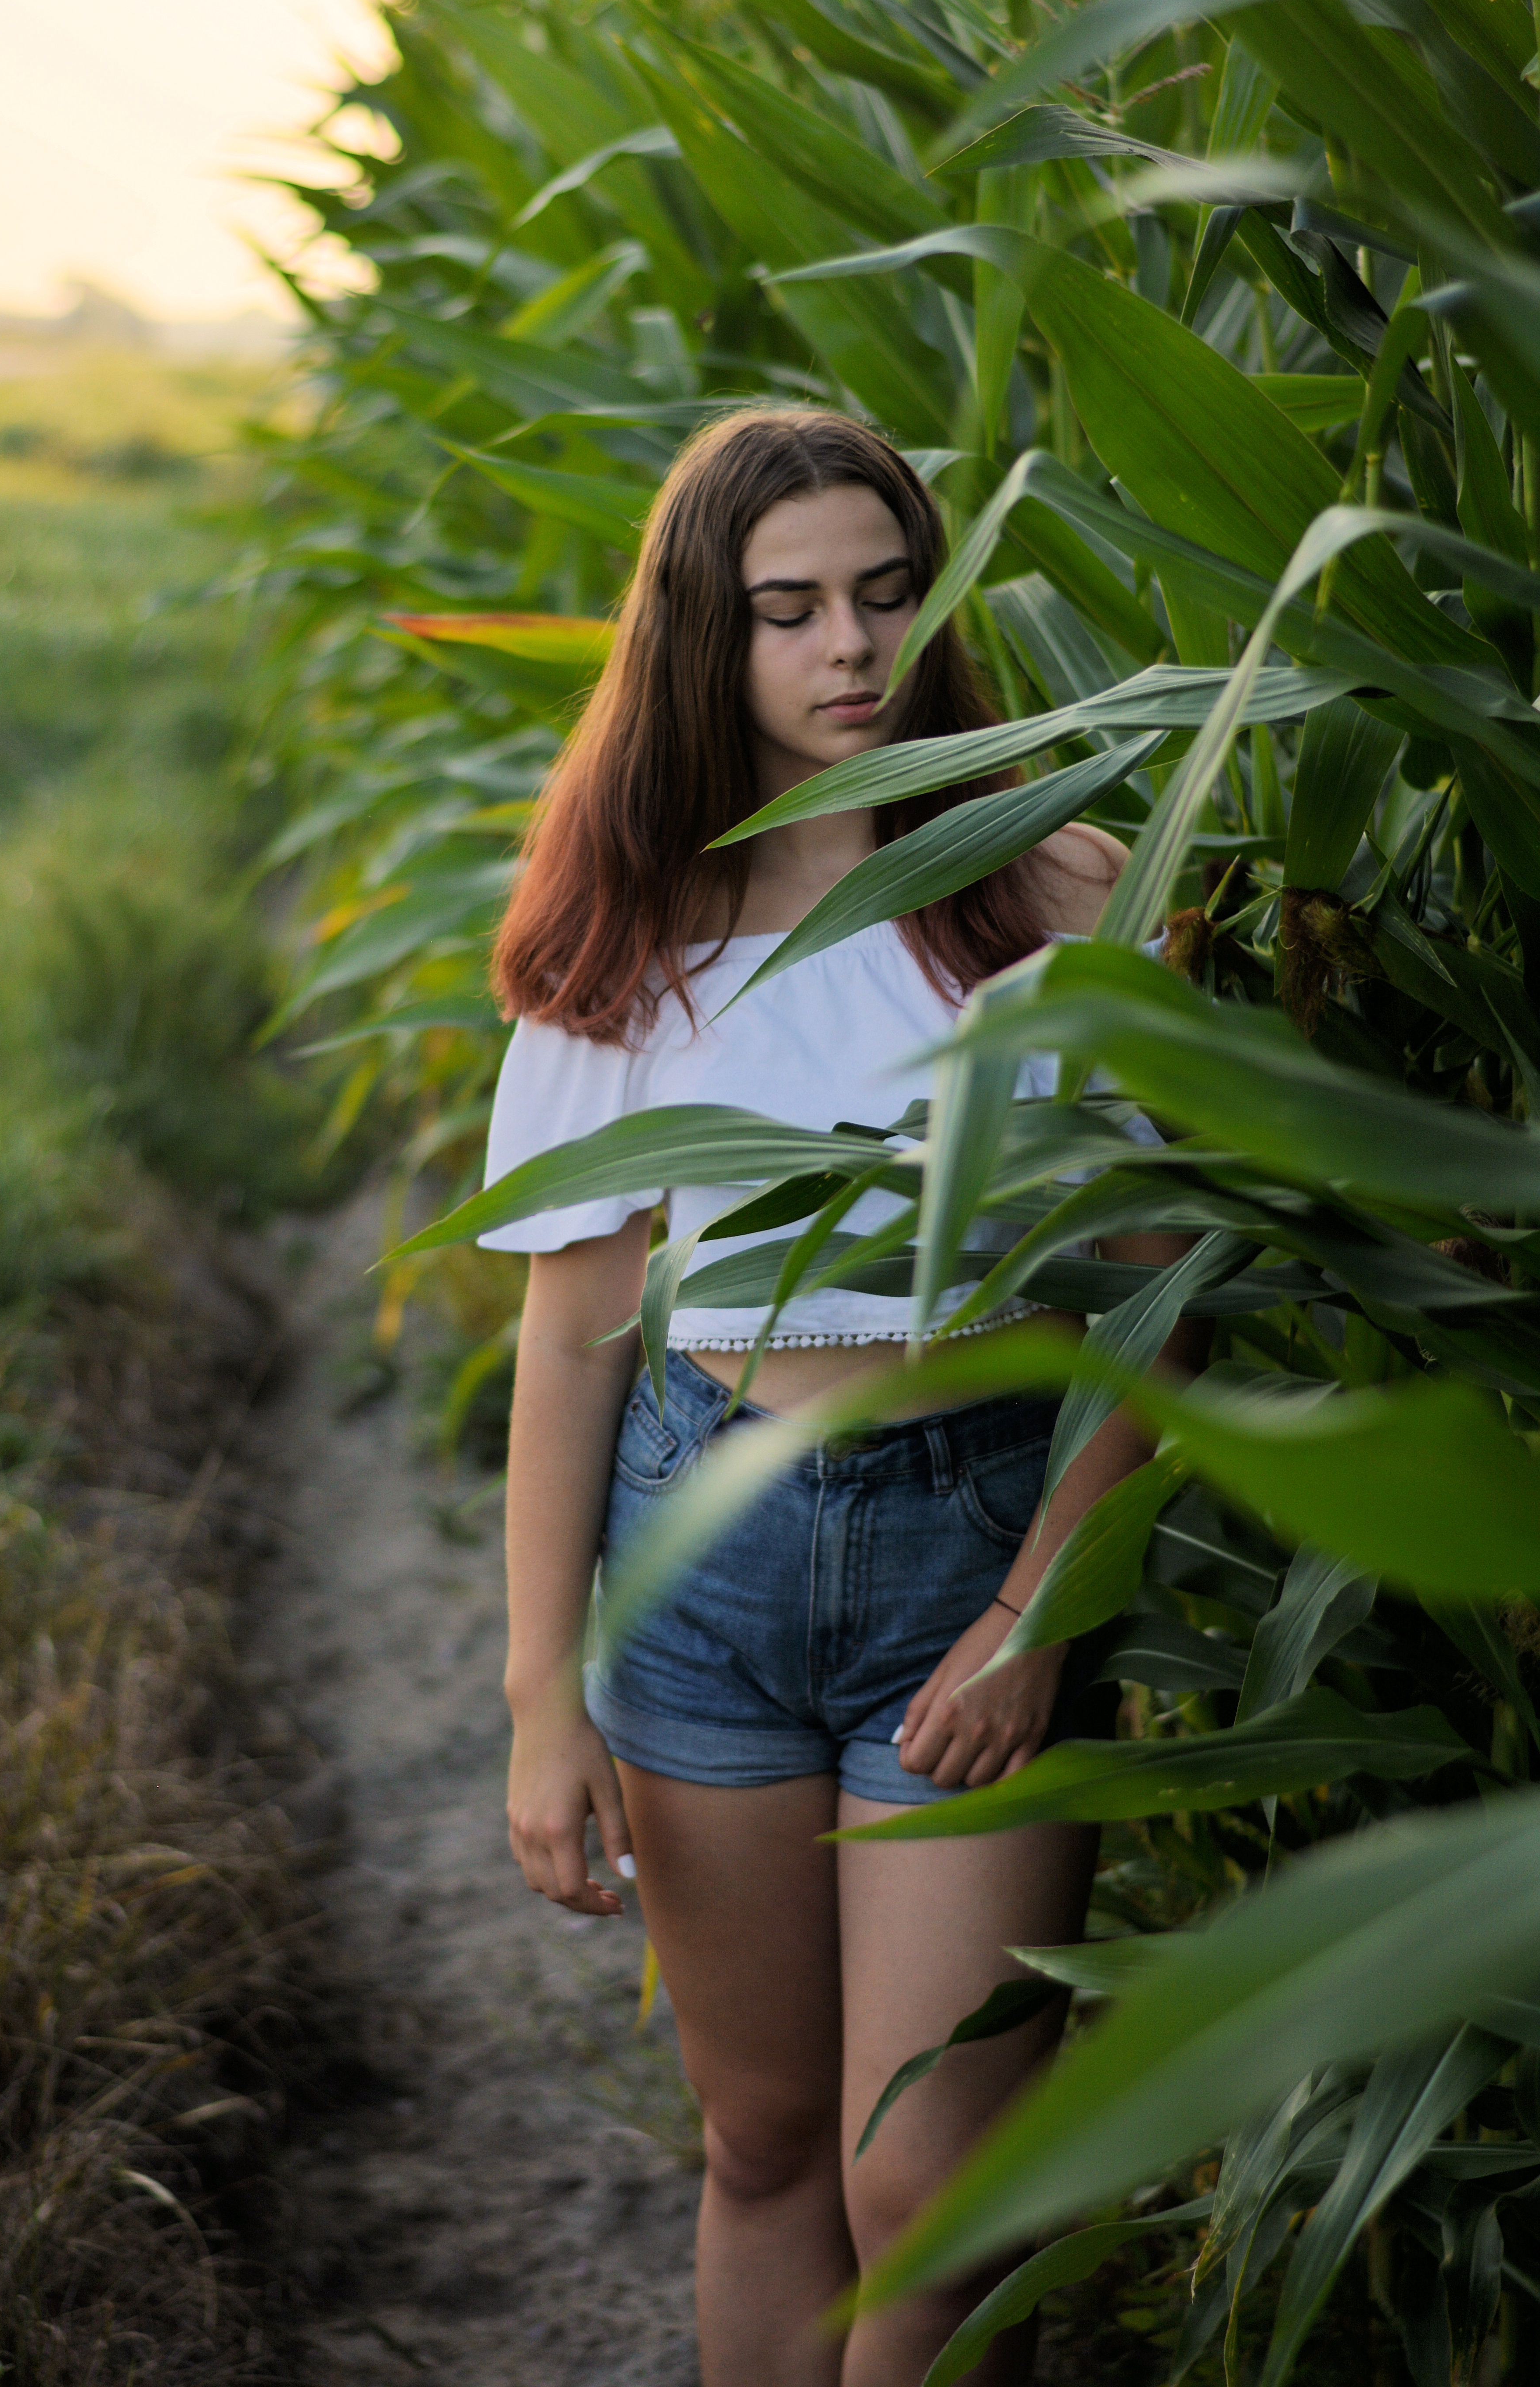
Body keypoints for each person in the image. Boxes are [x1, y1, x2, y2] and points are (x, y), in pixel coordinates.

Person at [477, 408, 1193, 2387]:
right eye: (785, 612)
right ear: (705, 640)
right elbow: (576, 1330)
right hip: (699, 1551)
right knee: (772, 2143)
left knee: (932, 2206)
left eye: (883, 596)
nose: (847, 651)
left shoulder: (1047, 902)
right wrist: (544, 1697)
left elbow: (1157, 1293)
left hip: (974, 1534)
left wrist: (1039, 1614)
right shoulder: (628, 941)